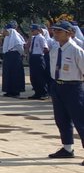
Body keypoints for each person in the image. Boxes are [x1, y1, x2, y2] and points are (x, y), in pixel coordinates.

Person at [44, 21, 84, 162]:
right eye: (54, 31)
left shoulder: (76, 50)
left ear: (69, 33)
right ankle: (67, 148)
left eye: (59, 31)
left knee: (80, 120)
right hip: (57, 86)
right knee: (61, 119)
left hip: (73, 87)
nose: (55, 33)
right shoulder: (55, 49)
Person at [1, 22, 26, 98]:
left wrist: (22, 54)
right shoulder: (7, 38)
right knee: (7, 74)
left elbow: (20, 48)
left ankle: (16, 91)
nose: (4, 32)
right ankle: (9, 90)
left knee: (15, 74)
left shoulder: (16, 37)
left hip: (15, 57)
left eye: (6, 30)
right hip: (8, 56)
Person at [28, 24, 50, 100]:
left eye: (33, 30)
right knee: (33, 76)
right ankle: (37, 92)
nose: (32, 32)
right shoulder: (33, 38)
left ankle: (44, 92)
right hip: (33, 56)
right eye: (31, 30)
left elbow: (45, 48)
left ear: (38, 30)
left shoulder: (41, 38)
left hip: (39, 57)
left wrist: (41, 54)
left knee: (40, 76)